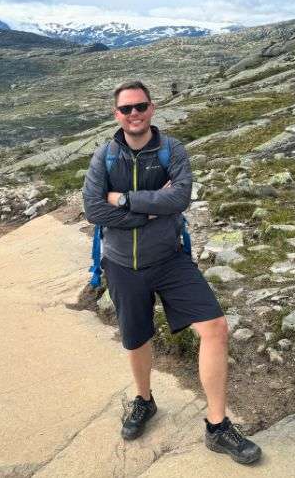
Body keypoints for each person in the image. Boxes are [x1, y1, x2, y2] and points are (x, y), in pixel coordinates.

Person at [82, 80, 262, 465]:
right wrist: (149, 210)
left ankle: (217, 426)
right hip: (121, 263)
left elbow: (179, 197)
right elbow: (94, 210)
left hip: (169, 258)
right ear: (116, 115)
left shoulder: (171, 150)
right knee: (136, 339)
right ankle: (144, 400)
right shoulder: (105, 156)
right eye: (126, 109)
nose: (134, 114)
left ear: (152, 108)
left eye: (140, 106)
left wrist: (126, 200)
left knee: (215, 328)